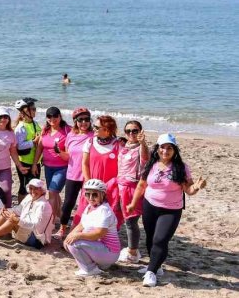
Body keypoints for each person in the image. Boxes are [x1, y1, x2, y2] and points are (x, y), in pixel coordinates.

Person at [124, 134, 206, 287]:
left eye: (169, 148)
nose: (165, 151)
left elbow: (188, 189)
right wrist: (133, 204)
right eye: (162, 147)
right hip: (149, 205)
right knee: (150, 238)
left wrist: (196, 187)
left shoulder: (181, 167)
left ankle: (151, 272)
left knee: (160, 240)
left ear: (174, 150)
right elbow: (141, 185)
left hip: (171, 210)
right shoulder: (151, 164)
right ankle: (156, 266)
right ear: (157, 149)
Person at [63, 179, 120, 277]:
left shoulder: (104, 211)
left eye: (94, 195)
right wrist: (70, 235)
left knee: (73, 243)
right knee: (69, 241)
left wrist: (77, 236)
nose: (90, 198)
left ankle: (90, 269)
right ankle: (98, 264)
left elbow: (99, 233)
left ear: (102, 194)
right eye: (87, 194)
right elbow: (82, 224)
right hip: (100, 248)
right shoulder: (90, 207)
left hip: (110, 252)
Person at [0, 179, 54, 249]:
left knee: (13, 221)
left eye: (36, 189)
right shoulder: (29, 198)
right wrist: (6, 210)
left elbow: (37, 226)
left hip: (37, 240)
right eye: (31, 188)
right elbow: (17, 210)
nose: (33, 191)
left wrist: (18, 221)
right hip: (27, 231)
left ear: (42, 190)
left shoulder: (44, 205)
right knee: (7, 214)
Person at [74, 115, 122, 228]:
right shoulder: (90, 142)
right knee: (84, 214)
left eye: (96, 127)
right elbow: (84, 164)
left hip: (109, 187)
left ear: (107, 129)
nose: (93, 129)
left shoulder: (118, 145)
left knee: (105, 217)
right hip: (91, 185)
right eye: (94, 126)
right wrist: (88, 182)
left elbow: (122, 168)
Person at [56, 107, 93, 239]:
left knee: (89, 204)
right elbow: (68, 156)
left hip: (88, 175)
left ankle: (83, 230)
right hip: (72, 174)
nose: (84, 122)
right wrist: (59, 152)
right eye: (80, 120)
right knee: (68, 204)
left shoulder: (94, 136)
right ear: (75, 121)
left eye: (86, 119)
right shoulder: (71, 136)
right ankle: (62, 229)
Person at [116, 120, 149, 263]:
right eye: (128, 131)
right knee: (122, 219)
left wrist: (143, 143)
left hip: (132, 188)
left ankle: (133, 252)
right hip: (120, 186)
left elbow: (145, 158)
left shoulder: (141, 148)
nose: (131, 133)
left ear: (140, 132)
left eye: (135, 131)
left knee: (131, 221)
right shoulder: (123, 147)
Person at [39, 107, 71, 224]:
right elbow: (40, 147)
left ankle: (50, 221)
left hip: (62, 167)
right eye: (49, 117)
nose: (52, 119)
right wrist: (34, 164)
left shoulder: (67, 130)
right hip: (48, 167)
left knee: (52, 192)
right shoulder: (45, 129)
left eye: (55, 116)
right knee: (54, 193)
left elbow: (70, 151)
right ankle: (59, 216)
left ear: (60, 116)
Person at [13, 97, 41, 202]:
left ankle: (31, 205)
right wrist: (33, 141)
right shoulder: (21, 127)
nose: (35, 111)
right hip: (25, 162)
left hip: (36, 161)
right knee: (25, 186)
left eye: (35, 109)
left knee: (35, 185)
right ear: (25, 112)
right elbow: (19, 146)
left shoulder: (35, 123)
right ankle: (21, 207)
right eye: (32, 109)